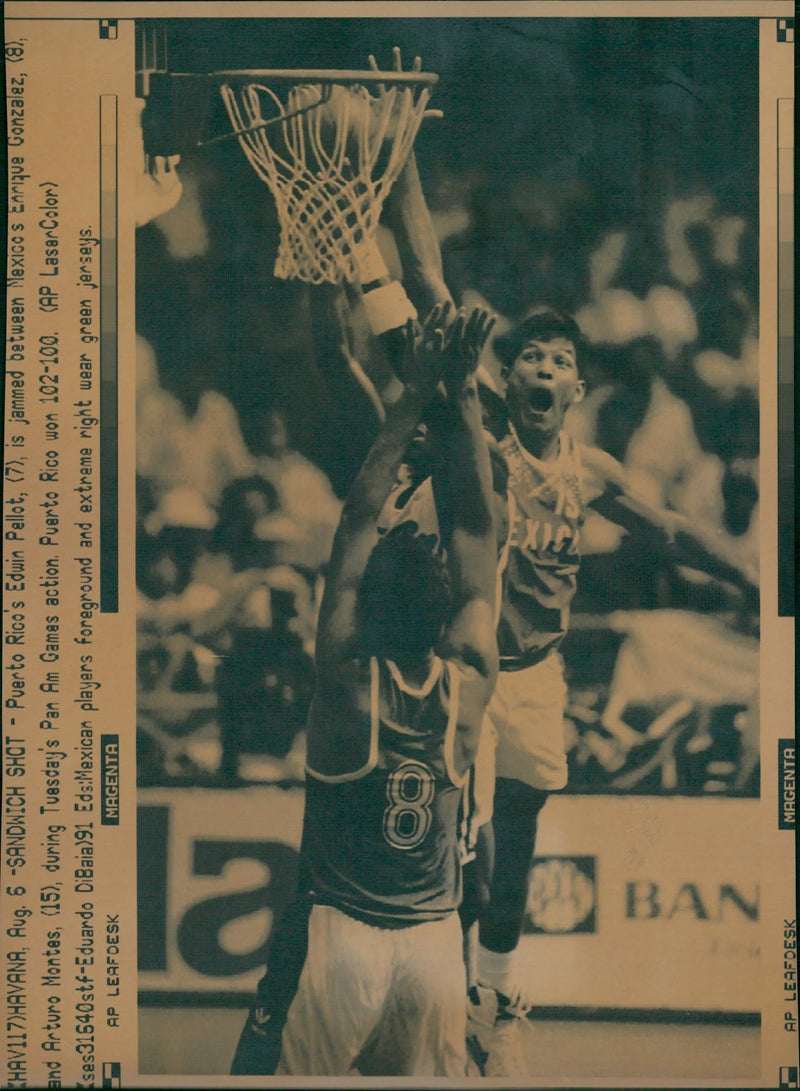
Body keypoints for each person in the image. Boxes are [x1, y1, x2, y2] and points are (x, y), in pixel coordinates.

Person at [260, 304, 498, 1077]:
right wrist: (460, 400)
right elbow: (476, 532)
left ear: (364, 607)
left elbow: (357, 517)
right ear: (443, 612)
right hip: (434, 948)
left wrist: (414, 392)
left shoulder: (346, 680)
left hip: (346, 943)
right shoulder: (469, 681)